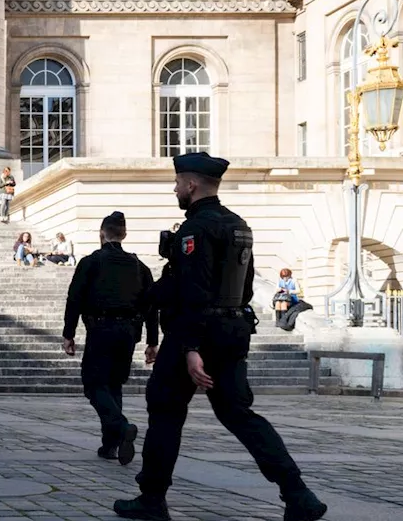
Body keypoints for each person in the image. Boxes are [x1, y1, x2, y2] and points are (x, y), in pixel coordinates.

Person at [115, 152, 326, 521]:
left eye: (178, 183)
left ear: (191, 185)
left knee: (165, 412)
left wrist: (191, 348)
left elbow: (194, 290)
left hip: (193, 334)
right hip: (231, 331)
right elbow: (243, 288)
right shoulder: (238, 224)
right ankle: (298, 494)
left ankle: (151, 499)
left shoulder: (196, 230)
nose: (176, 188)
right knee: (240, 415)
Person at [62, 211, 158, 466]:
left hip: (100, 329)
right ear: (124, 234)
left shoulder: (91, 262)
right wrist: (152, 341)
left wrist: (68, 334)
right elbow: (151, 306)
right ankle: (110, 444)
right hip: (128, 333)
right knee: (113, 385)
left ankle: (121, 426)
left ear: (102, 233)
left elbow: (75, 299)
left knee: (94, 384)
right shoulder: (140, 267)